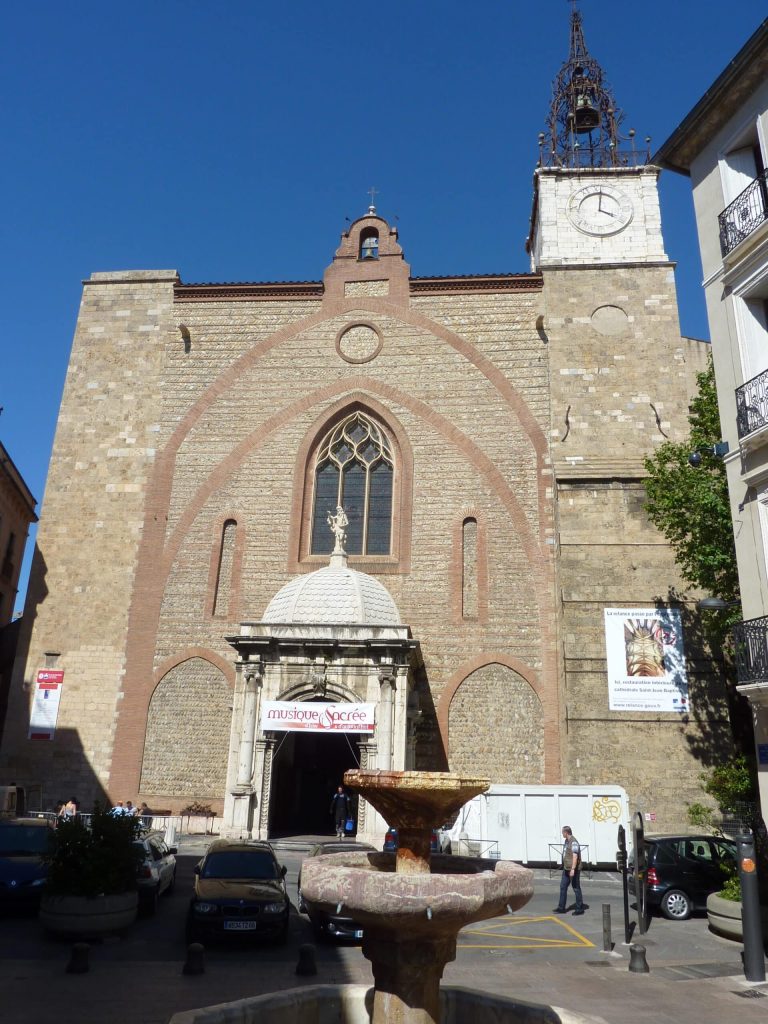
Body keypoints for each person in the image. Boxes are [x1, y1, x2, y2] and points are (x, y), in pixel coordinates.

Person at [554, 825, 584, 916]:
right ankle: (561, 908)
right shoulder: (566, 841)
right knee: (563, 887)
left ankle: (579, 909)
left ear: (566, 833)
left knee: (576, 888)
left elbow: (575, 856)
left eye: (562, 832)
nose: (562, 834)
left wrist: (573, 869)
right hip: (566, 868)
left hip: (572, 869)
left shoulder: (573, 842)